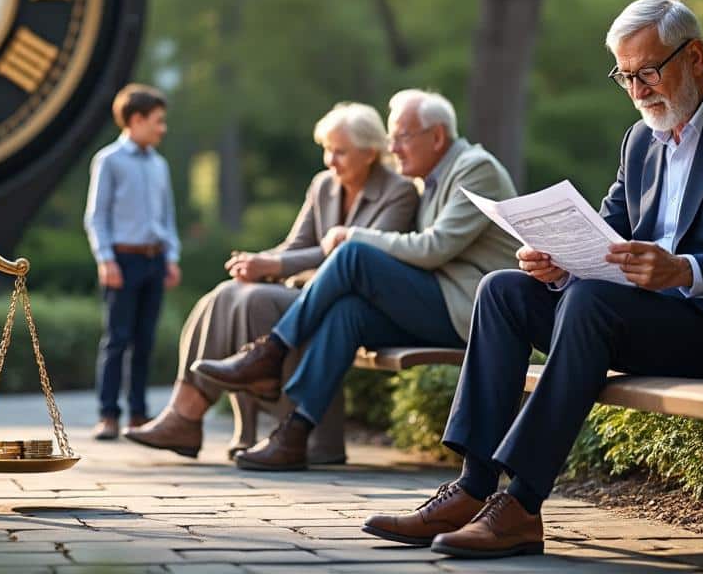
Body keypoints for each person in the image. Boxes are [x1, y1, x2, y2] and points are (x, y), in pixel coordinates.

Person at [361, 0, 703, 559]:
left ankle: (521, 504)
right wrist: (556, 262)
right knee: (503, 290)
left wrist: (685, 269)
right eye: (625, 77)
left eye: (648, 72)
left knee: (591, 303)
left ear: (695, 57)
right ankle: (474, 487)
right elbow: (607, 231)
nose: (638, 91)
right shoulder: (640, 140)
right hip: (637, 318)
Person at [192, 89, 519, 471]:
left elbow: (434, 247)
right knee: (348, 312)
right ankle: (294, 433)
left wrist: (353, 235)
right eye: (391, 138)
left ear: (436, 137)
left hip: (474, 314)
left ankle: (271, 352)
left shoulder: (475, 168)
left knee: (354, 253)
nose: (392, 148)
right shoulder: (425, 177)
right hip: (438, 302)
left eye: (401, 137)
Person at [123, 102, 418, 462]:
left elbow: (358, 258)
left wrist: (273, 265)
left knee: (253, 300)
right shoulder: (324, 185)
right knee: (225, 293)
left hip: (347, 299)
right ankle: (183, 413)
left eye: (340, 151)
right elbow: (297, 245)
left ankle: (280, 418)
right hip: (305, 291)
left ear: (370, 153)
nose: (330, 160)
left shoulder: (399, 192)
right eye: (327, 149)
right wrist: (257, 263)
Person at [85, 83, 182, 440]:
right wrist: (105, 259)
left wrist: (171, 256)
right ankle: (108, 414)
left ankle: (138, 415)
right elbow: (97, 216)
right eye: (157, 121)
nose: (162, 128)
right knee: (117, 339)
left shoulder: (159, 165)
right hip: (122, 261)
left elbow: (167, 216)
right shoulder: (109, 160)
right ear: (136, 120)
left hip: (154, 260)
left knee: (145, 340)